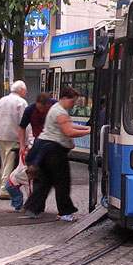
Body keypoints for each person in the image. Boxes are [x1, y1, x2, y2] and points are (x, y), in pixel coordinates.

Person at [17, 87, 90, 222]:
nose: (73, 104)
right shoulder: (60, 111)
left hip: (45, 150)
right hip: (55, 151)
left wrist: (86, 127)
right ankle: (65, 212)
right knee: (62, 181)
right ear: (65, 98)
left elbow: (69, 124)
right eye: (72, 101)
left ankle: (32, 207)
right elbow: (69, 131)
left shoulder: (56, 108)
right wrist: (88, 132)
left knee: (45, 181)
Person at [0, 80, 27, 200]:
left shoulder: (2, 100)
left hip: (1, 136)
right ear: (20, 90)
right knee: (10, 164)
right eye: (25, 90)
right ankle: (5, 189)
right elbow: (25, 122)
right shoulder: (21, 102)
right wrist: (26, 141)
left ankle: (5, 186)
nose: (25, 93)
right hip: (14, 137)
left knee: (5, 163)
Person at [18, 92, 57, 177]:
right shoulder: (30, 110)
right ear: (36, 103)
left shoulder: (55, 105)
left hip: (53, 140)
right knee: (31, 159)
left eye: (44, 108)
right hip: (39, 139)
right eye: (39, 107)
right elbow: (22, 127)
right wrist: (22, 145)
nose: (41, 110)